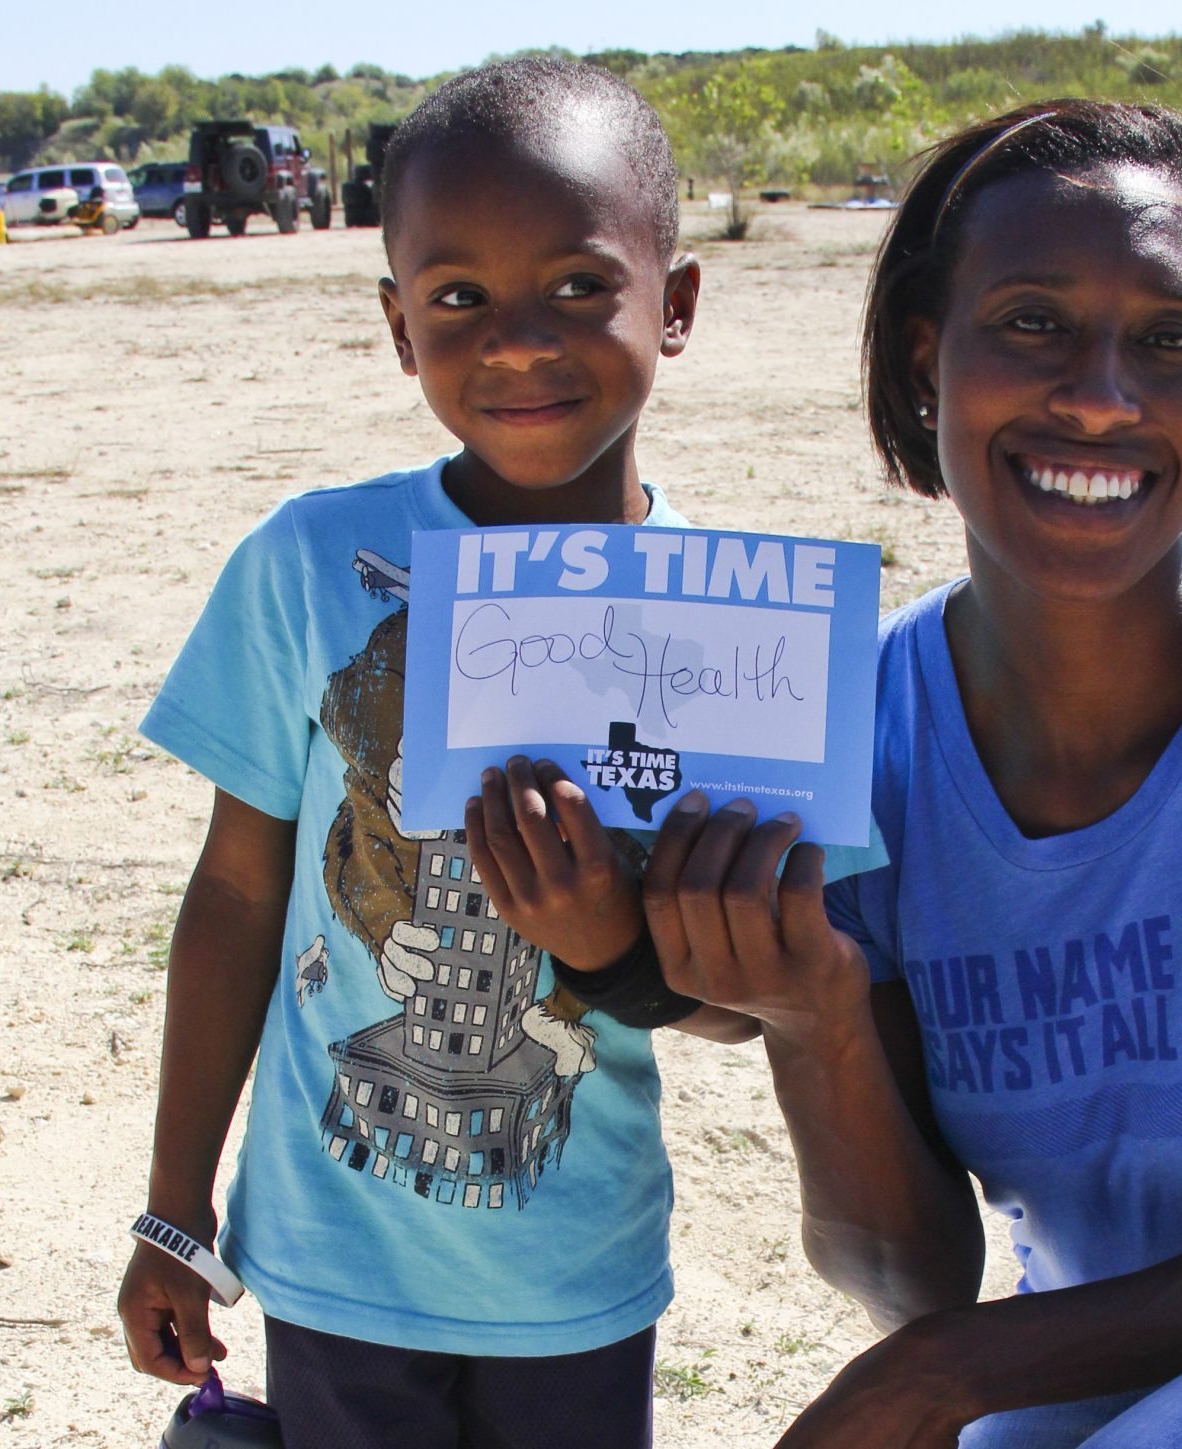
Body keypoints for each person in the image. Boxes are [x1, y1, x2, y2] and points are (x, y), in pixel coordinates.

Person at [641, 100, 1182, 1448]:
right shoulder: (860, 731)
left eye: (1171, 340)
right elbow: (918, 1279)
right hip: (1069, 1353)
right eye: (1034, 322)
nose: (1104, 394)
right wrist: (811, 1016)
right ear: (926, 356)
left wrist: (935, 1380)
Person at [115, 58, 765, 1449]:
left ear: (681, 303)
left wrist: (608, 949)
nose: (519, 340)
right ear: (399, 325)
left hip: (577, 1280)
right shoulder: (309, 565)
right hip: (337, 1262)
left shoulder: (730, 628)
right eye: (459, 296)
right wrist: (176, 1207)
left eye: (583, 285)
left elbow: (760, 998)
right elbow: (237, 896)